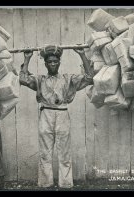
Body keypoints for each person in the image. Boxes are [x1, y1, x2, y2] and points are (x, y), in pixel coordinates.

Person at [19, 45, 93, 188]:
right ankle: (45, 184)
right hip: (46, 114)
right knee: (45, 153)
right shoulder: (40, 80)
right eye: (50, 62)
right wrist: (27, 58)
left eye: (55, 61)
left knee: (64, 152)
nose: (53, 64)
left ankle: (65, 184)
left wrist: (82, 55)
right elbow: (23, 79)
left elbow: (89, 78)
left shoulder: (68, 79)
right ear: (45, 64)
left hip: (62, 114)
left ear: (59, 62)